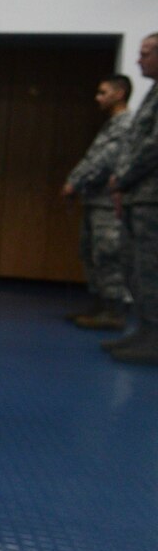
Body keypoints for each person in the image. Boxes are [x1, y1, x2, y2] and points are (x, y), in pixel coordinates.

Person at [62, 75, 132, 330]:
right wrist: (75, 182)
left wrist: (75, 183)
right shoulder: (111, 124)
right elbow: (92, 157)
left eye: (103, 92)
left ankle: (114, 311)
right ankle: (101, 305)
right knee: (90, 253)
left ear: (119, 93)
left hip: (107, 202)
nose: (98, 97)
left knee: (107, 254)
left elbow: (105, 161)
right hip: (94, 200)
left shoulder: (126, 124)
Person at [104, 33, 158, 364]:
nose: (139, 60)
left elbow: (152, 147)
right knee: (134, 267)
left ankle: (155, 340)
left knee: (151, 268)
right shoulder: (153, 94)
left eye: (147, 54)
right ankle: (145, 331)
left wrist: (121, 180)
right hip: (139, 195)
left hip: (152, 198)